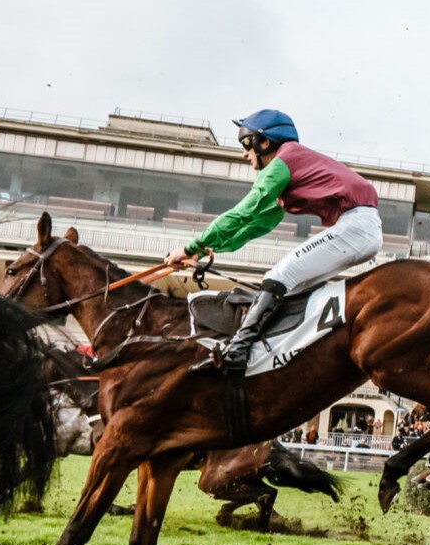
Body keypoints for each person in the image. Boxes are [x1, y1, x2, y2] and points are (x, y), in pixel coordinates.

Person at [161, 109, 382, 370]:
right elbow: (255, 224)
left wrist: (190, 247)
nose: (244, 153)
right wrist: (204, 250)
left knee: (279, 275)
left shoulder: (283, 162)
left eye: (246, 143)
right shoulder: (289, 171)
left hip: (356, 225)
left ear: (264, 142)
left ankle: (237, 351)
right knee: (291, 291)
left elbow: (244, 211)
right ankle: (284, 357)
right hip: (359, 227)